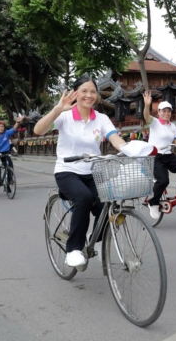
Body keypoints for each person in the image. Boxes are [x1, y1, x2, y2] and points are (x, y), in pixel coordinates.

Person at [33, 74, 151, 268]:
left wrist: (129, 149)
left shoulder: (101, 119)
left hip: (94, 171)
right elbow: (38, 130)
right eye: (84, 91)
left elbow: (114, 137)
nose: (89, 95)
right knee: (84, 198)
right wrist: (57, 109)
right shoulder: (64, 115)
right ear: (75, 93)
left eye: (93, 92)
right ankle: (73, 249)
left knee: (108, 202)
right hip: (67, 170)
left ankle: (92, 239)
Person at [142, 91, 176, 220]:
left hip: (169, 155)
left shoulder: (172, 126)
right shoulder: (154, 122)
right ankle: (153, 203)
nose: (166, 113)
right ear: (158, 112)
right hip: (155, 157)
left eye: (168, 111)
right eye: (164, 111)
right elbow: (146, 117)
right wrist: (147, 105)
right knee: (164, 181)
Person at [0, 116, 26, 183]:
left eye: (2, 126)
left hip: (5, 152)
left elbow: (13, 129)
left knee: (10, 164)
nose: (1, 128)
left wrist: (17, 122)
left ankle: (10, 179)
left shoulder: (6, 133)